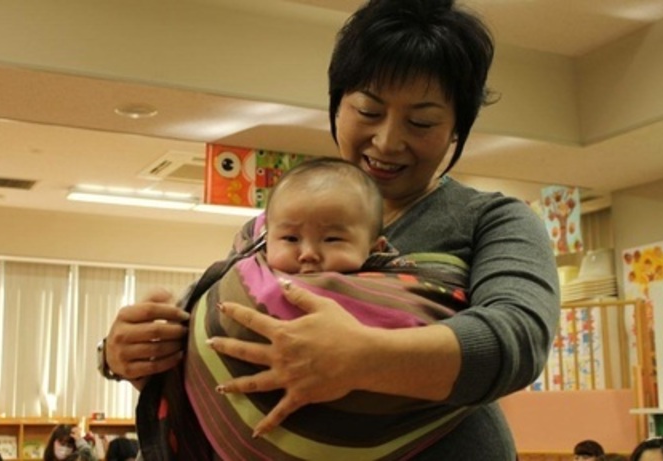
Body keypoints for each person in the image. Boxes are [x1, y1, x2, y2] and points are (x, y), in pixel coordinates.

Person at [100, 0, 560, 458]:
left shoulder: (493, 220)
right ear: (337, 104)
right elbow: (218, 332)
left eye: (421, 121)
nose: (387, 140)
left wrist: (366, 359)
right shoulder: (267, 229)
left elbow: (517, 338)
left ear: (456, 128)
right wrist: (124, 354)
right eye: (368, 111)